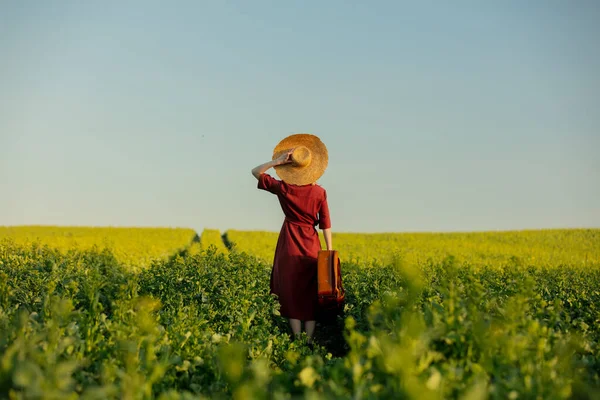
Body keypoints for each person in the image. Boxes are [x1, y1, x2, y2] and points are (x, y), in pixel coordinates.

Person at [251, 133, 332, 345]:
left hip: (289, 242)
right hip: (311, 244)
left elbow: (255, 172)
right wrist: (329, 252)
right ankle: (310, 340)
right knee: (310, 291)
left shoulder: (284, 188)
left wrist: (276, 162)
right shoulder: (320, 193)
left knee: (290, 289)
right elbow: (325, 224)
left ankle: (296, 340)